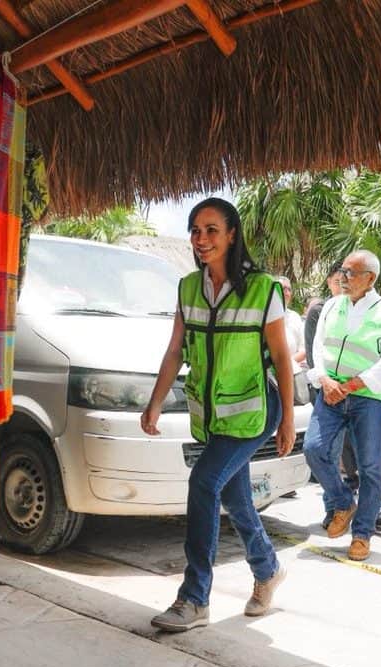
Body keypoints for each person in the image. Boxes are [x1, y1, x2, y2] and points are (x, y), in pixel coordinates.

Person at [142, 198, 295, 632]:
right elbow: (176, 349)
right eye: (195, 230)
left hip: (254, 411)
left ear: (232, 235)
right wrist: (155, 401)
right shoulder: (189, 287)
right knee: (232, 496)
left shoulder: (263, 288)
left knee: (204, 481)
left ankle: (194, 598)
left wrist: (285, 420)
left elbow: (282, 356)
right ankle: (267, 569)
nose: (201, 239)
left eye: (211, 230)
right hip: (213, 416)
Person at [303, 250, 381, 561]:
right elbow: (318, 348)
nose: (342, 278)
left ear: (369, 279)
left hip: (367, 398)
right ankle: (343, 502)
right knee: (313, 449)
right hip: (331, 392)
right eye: (342, 272)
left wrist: (351, 385)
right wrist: (323, 378)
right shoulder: (332, 305)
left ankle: (362, 534)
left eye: (350, 273)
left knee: (371, 467)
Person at [278, 276, 306, 368]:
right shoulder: (265, 315)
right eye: (283, 288)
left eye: (289, 289)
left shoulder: (295, 317)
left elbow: (304, 349)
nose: (287, 292)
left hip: (292, 368)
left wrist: (285, 365)